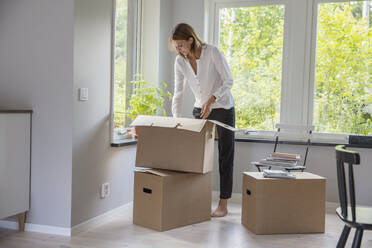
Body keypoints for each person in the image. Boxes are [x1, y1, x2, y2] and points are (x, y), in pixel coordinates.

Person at [169, 23, 235, 218]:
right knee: (196, 157)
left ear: (191, 40)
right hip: (200, 109)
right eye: (175, 46)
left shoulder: (212, 52)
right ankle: (195, 200)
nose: (178, 49)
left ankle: (223, 204)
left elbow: (228, 80)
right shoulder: (179, 62)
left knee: (225, 155)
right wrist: (176, 120)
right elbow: (178, 92)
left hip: (222, 107)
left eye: (180, 45)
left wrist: (212, 99)